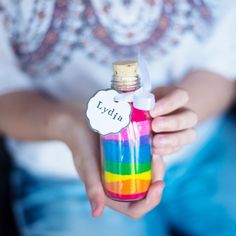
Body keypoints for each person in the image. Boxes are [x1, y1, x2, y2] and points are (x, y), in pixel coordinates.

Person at [0, 0, 235, 235]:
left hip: (204, 149)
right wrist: (69, 126)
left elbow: (221, 66)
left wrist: (172, 118)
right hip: (66, 176)